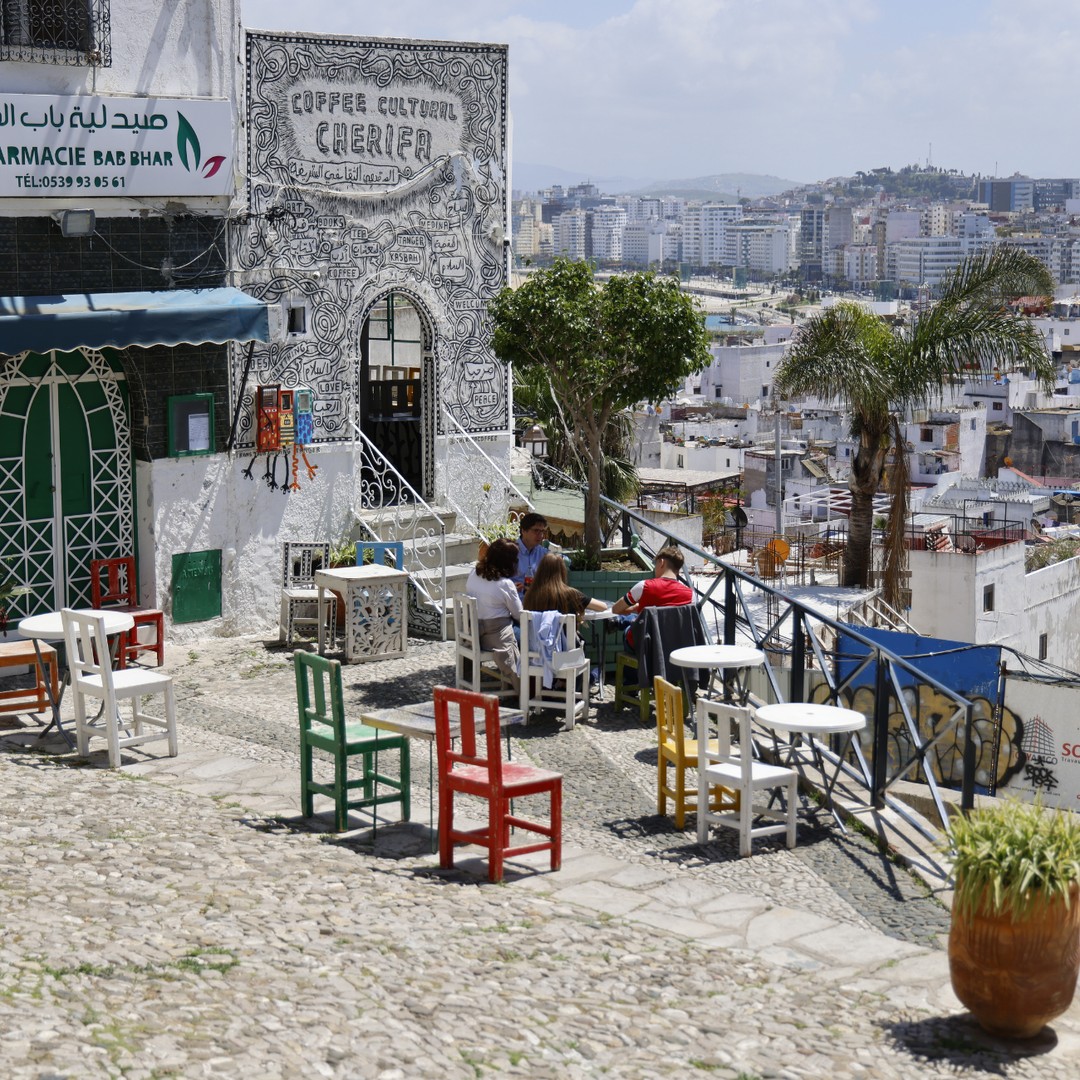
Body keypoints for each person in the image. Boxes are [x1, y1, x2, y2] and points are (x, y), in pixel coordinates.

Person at [465, 537, 522, 693]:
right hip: (496, 640)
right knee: (526, 635)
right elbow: (519, 615)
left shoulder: (474, 573)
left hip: (473, 635)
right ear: (509, 562)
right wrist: (513, 593)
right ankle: (522, 685)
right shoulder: (505, 584)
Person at [611, 546, 694, 649]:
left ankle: (621, 621)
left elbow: (615, 609)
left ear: (662, 562)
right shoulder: (691, 595)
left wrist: (633, 608)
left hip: (645, 645)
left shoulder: (644, 586)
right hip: (675, 646)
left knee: (630, 626)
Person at [523, 553, 608, 620]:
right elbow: (603, 607)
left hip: (535, 641)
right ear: (563, 571)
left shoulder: (530, 594)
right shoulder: (571, 594)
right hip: (564, 641)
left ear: (540, 571)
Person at [512, 512, 550, 595]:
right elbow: (497, 581)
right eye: (536, 530)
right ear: (524, 531)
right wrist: (510, 587)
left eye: (542, 531)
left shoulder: (544, 554)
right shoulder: (510, 551)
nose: (540, 535)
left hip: (537, 603)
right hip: (514, 603)